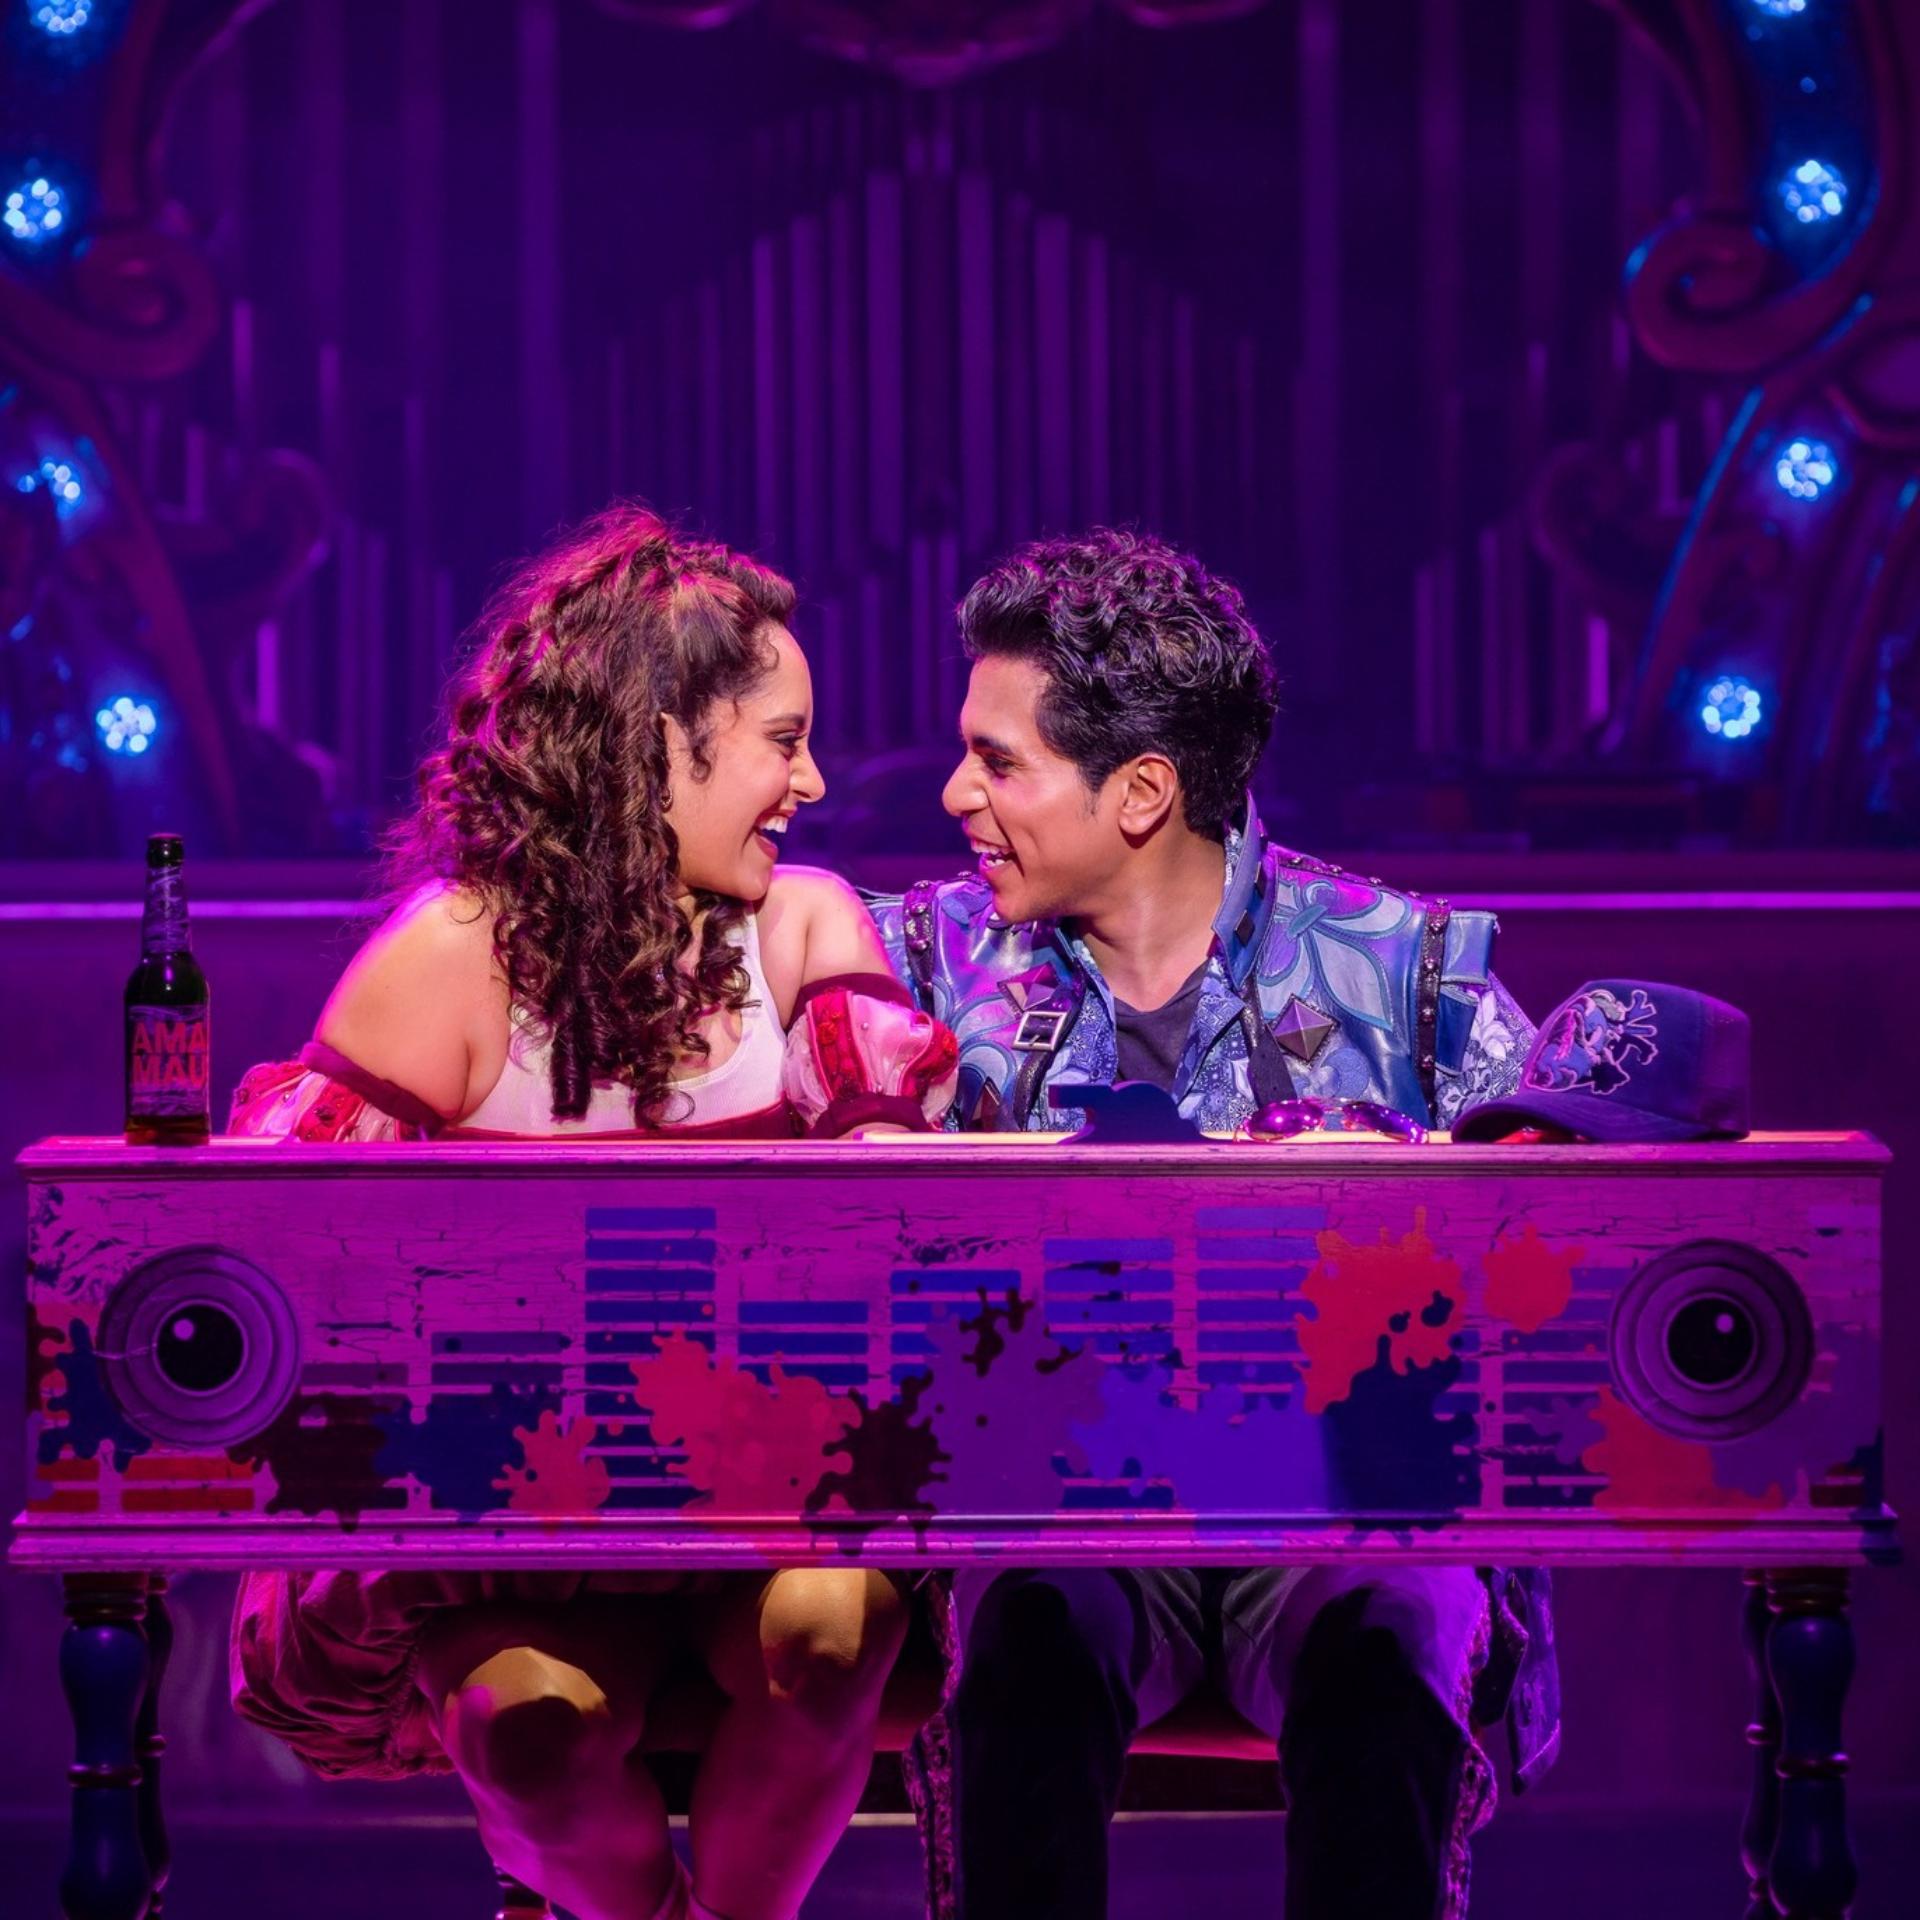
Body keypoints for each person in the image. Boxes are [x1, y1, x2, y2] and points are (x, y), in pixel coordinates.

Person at [228, 506, 957, 1920]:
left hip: (765, 1514)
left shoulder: (801, 925)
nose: (813, 780)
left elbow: (892, 1224)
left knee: (835, 1629)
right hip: (526, 1538)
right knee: (529, 1727)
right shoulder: (449, 958)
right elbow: (289, 1265)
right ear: (657, 743)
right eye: (782, 740)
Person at [869, 529, 1559, 1920]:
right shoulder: (914, 968)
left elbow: (1557, 1262)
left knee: (1399, 1624)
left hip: (1333, 1518)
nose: (955, 793)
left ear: (1141, 792)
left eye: (999, 761)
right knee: (1030, 1625)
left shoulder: (1408, 972)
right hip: (1065, 1510)